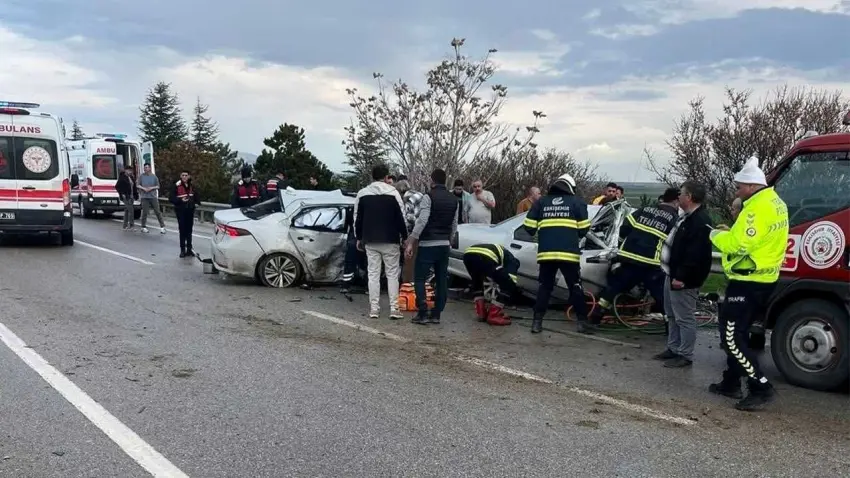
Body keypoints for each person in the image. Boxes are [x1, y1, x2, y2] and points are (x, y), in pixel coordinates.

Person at [708, 156, 788, 411]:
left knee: (732, 337)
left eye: (740, 186)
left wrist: (715, 235)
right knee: (737, 331)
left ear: (752, 186)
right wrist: (730, 232)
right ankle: (730, 382)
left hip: (748, 281)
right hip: (764, 278)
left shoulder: (755, 209)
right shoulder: (776, 202)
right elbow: (754, 239)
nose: (737, 190)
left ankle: (760, 386)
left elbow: (739, 243)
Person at [589, 187, 681, 326]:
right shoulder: (674, 219)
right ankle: (670, 327)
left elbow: (625, 226)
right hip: (650, 263)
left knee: (613, 288)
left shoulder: (644, 209)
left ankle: (596, 316)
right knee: (661, 296)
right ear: (676, 201)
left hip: (628, 258)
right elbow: (674, 244)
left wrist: (621, 246)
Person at [654, 181, 714, 368]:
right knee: (671, 314)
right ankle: (673, 348)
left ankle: (685, 354)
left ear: (689, 197)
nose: (678, 197)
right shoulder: (686, 217)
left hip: (684, 278)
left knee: (684, 317)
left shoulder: (700, 221)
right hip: (671, 273)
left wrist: (682, 277)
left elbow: (695, 254)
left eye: (681, 194)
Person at [523, 174, 592, 334]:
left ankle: (537, 323)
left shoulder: (541, 202)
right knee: (575, 286)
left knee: (545, 287)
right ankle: (582, 323)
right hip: (569, 254)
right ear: (571, 188)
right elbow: (584, 229)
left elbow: (528, 226)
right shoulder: (577, 203)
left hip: (546, 254)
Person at [405, 168, 458, 325]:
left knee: (420, 277)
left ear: (432, 180)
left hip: (428, 243)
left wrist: (411, 240)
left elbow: (422, 220)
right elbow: (454, 224)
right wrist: (450, 240)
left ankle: (422, 312)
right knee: (442, 280)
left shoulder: (428, 197)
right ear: (445, 180)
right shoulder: (453, 199)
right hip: (443, 245)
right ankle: (436, 314)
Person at [354, 164, 407, 320]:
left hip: (370, 239)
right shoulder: (393, 193)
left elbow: (357, 218)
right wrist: (404, 237)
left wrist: (359, 237)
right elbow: (401, 217)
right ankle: (394, 308)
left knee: (373, 274)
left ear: (372, 177)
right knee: (392, 275)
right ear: (386, 177)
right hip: (390, 240)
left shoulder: (362, 194)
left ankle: (374, 309)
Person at [463, 243, 519, 326]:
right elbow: (511, 281)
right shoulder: (513, 263)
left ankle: (481, 314)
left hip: (468, 254)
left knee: (477, 282)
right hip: (486, 256)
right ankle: (493, 315)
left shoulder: (506, 255)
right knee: (508, 284)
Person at [169, 171, 201, 258]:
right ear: (180, 176)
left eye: (186, 175)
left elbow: (196, 196)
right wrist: (180, 200)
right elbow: (171, 198)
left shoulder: (192, 186)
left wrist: (197, 203)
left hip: (190, 210)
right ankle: (182, 250)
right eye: (182, 175)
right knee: (182, 230)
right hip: (180, 210)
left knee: (189, 230)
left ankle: (189, 250)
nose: (184, 177)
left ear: (189, 176)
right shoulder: (176, 186)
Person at [136, 163, 166, 234]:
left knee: (157, 211)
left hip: (153, 196)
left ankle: (162, 227)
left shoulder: (154, 177)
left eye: (147, 167)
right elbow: (137, 185)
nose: (145, 169)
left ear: (150, 168)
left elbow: (158, 186)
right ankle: (143, 227)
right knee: (145, 212)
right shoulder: (141, 176)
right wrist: (143, 188)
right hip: (144, 197)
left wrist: (151, 188)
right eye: (145, 167)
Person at [115, 165, 138, 230]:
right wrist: (122, 193)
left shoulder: (132, 177)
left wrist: (135, 195)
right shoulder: (122, 177)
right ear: (125, 170)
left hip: (131, 196)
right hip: (125, 196)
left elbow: (134, 187)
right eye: (128, 170)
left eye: (131, 170)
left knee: (127, 211)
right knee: (131, 210)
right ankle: (131, 225)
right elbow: (117, 186)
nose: (130, 172)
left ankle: (124, 226)